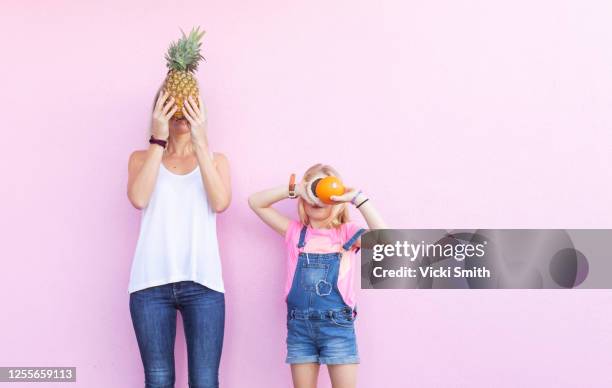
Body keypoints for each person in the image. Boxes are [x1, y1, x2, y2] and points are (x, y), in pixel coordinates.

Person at [126, 87, 231, 388]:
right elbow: (139, 198)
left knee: (205, 381)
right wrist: (158, 139)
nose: (181, 111)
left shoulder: (216, 160)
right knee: (157, 381)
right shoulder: (140, 159)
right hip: (149, 285)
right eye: (172, 104)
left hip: (204, 284)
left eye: (189, 104)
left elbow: (220, 203)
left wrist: (200, 143)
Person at [248, 163, 387, 388]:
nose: (318, 197)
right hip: (299, 328)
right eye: (314, 189)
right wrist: (295, 190)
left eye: (326, 191)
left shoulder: (346, 233)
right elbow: (255, 202)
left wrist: (357, 198)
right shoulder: (294, 232)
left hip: (338, 327)